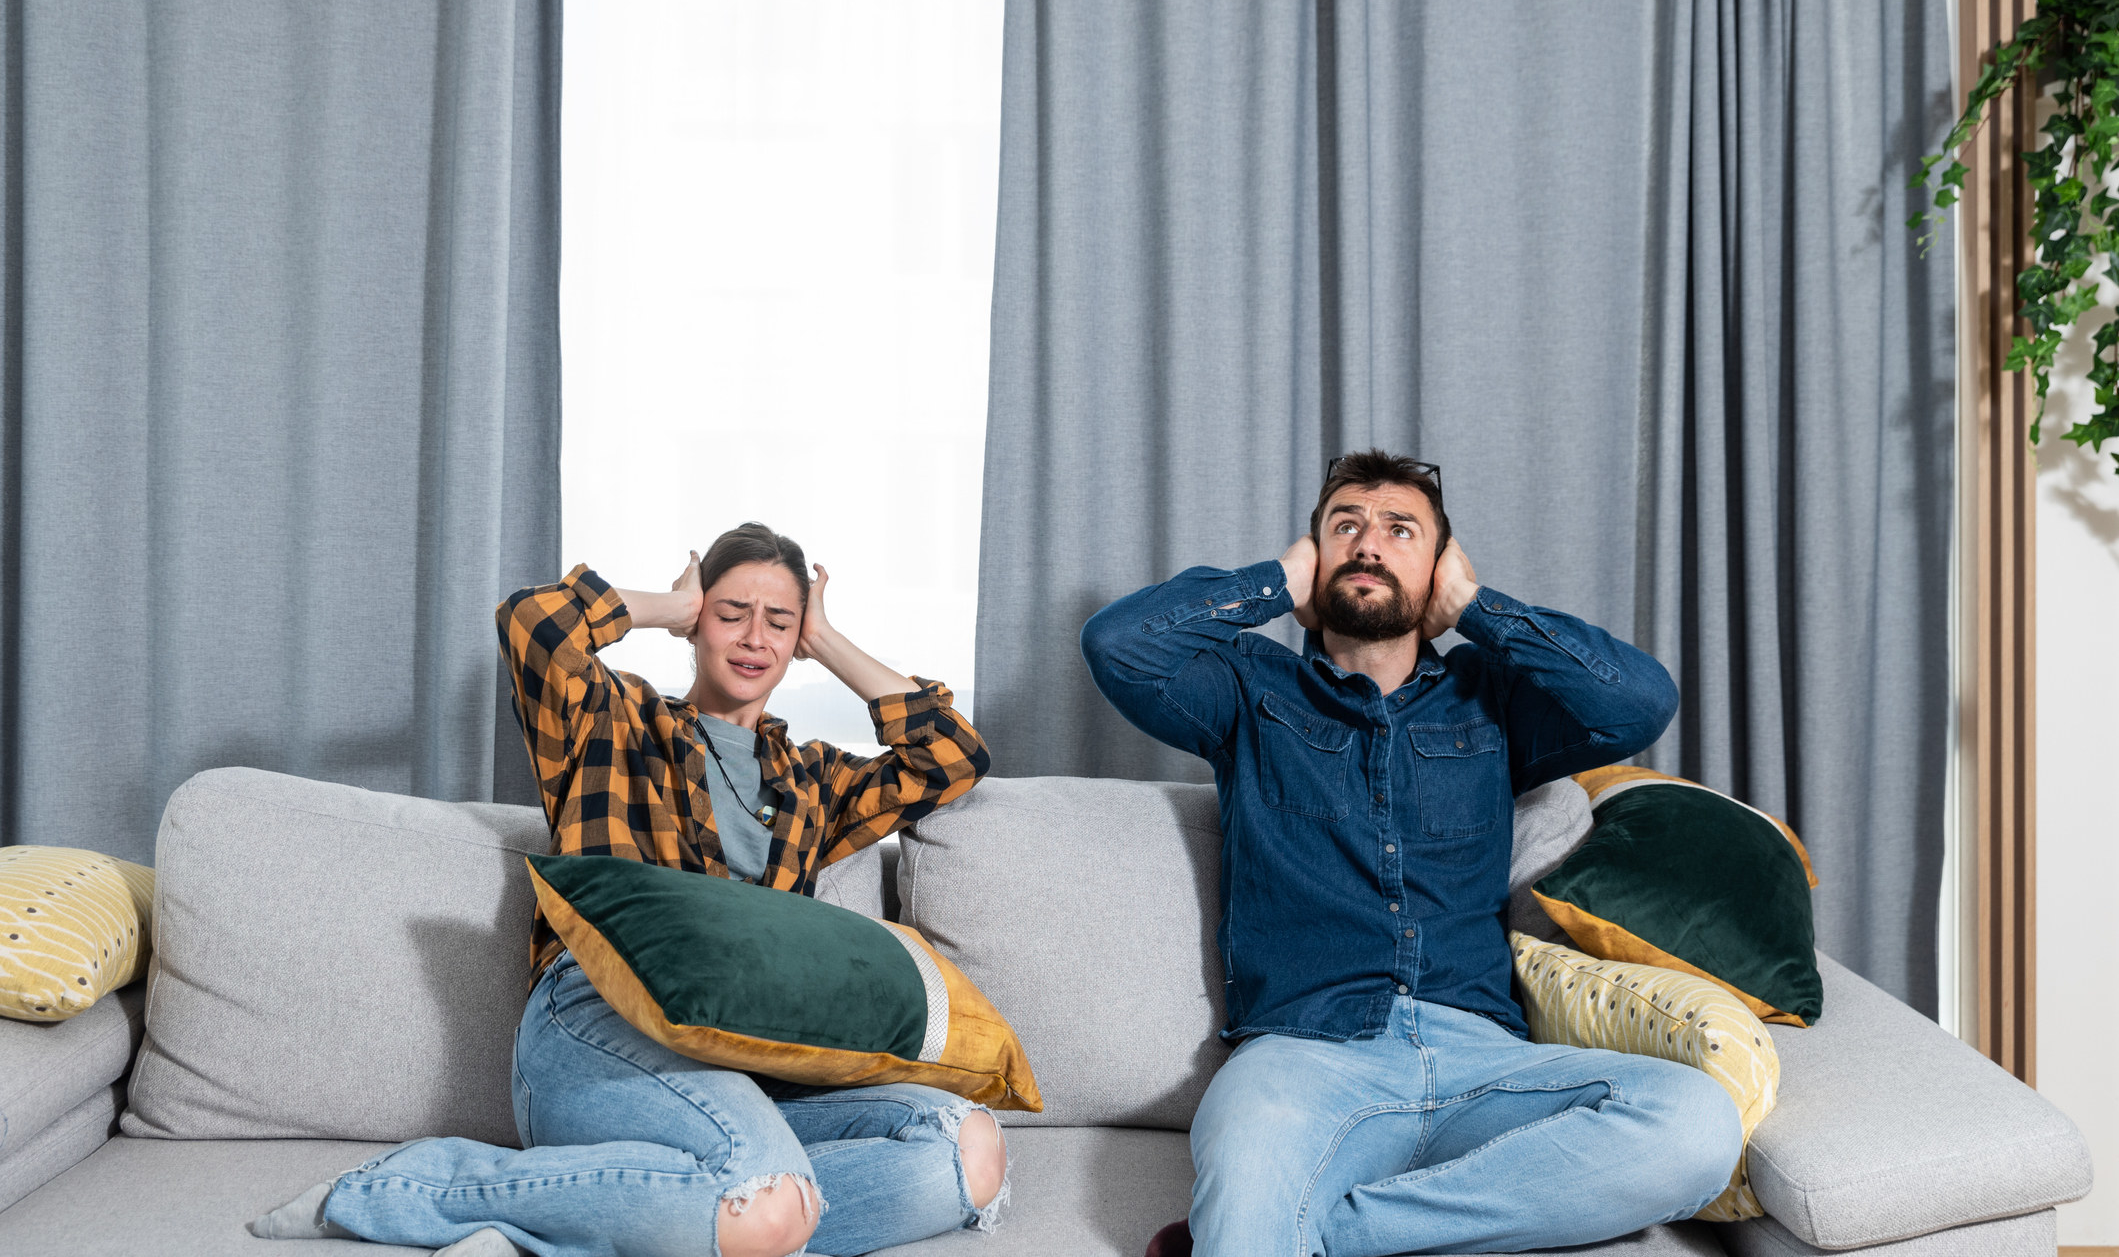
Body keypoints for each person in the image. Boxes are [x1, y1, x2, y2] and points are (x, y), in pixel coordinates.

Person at [250, 523, 1004, 1257]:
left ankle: (577, 1223)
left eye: (779, 621)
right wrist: (668, 606)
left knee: (965, 1151)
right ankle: (411, 1188)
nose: (753, 637)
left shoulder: (813, 779)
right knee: (768, 1200)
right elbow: (532, 622)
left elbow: (950, 753)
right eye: (730, 613)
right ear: (698, 623)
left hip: (748, 1061)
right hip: (596, 1020)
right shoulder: (614, 719)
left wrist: (828, 638)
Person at [1080, 451, 1742, 1257]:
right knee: (1246, 1208)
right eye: (1344, 526)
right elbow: (1117, 644)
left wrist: (1477, 607)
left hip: (1483, 1060)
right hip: (1303, 1058)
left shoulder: (1491, 697)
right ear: (1314, 556)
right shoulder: (1249, 690)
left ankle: (1335, 1238)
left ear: (1437, 569)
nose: (1368, 544)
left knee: (1697, 1121)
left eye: (1401, 531)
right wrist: (1272, 581)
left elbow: (1639, 700)